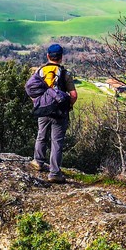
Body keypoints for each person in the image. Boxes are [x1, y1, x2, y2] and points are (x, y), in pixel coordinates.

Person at [30, 43, 78, 183]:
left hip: (43, 109)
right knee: (57, 142)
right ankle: (54, 173)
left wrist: (38, 102)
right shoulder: (65, 74)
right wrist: (68, 105)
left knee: (41, 135)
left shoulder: (39, 71)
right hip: (59, 111)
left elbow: (32, 89)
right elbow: (74, 95)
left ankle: (38, 162)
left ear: (48, 56)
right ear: (61, 58)